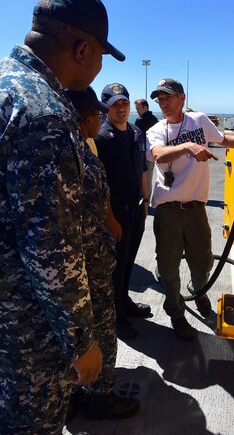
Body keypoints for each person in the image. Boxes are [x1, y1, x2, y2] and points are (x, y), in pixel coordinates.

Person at [0, 0, 125, 435]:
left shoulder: (5, 85)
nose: (98, 67)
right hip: (28, 330)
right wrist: (80, 341)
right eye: (100, 56)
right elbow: (49, 245)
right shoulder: (44, 113)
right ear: (82, 48)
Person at [147, 78, 234, 341]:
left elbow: (222, 139)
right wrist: (187, 146)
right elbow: (159, 155)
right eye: (159, 99)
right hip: (168, 211)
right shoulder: (155, 130)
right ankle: (175, 312)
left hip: (197, 209)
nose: (163, 103)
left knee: (203, 261)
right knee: (168, 267)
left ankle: (198, 292)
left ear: (182, 98)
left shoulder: (199, 121)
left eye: (168, 97)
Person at [65, 87, 140, 420]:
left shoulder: (71, 150)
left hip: (77, 261)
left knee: (73, 332)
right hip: (87, 263)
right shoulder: (80, 155)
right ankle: (101, 395)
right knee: (102, 330)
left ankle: (75, 393)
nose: (101, 119)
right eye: (97, 114)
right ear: (86, 119)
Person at [95, 83, 151, 340]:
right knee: (115, 267)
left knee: (129, 262)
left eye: (124, 103)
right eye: (115, 103)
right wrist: (110, 219)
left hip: (137, 208)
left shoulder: (137, 133)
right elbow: (100, 183)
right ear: (105, 106)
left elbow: (142, 170)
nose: (121, 108)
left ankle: (125, 302)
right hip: (116, 211)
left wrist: (146, 201)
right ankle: (116, 317)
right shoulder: (100, 138)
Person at [134, 99, 159, 200]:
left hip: (141, 153)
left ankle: (142, 200)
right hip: (151, 152)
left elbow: (136, 138)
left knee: (140, 178)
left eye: (138, 108)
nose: (137, 111)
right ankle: (146, 200)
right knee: (148, 178)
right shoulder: (155, 119)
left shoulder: (139, 120)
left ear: (145, 107)